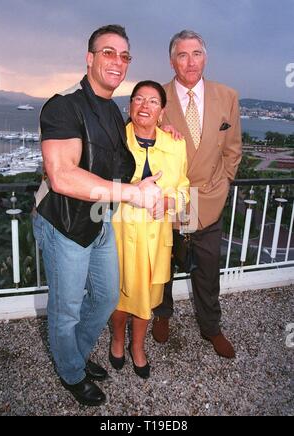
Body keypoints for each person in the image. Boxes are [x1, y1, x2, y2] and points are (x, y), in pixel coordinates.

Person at [32, 25, 163, 407]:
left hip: (98, 219)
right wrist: (132, 194)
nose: (117, 62)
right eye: (108, 52)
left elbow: (120, 162)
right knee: (66, 309)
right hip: (64, 224)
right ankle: (71, 372)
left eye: (124, 56)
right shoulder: (62, 105)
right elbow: (62, 175)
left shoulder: (110, 110)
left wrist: (159, 127)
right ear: (89, 58)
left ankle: (74, 355)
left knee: (105, 297)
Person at [152, 30, 242, 359]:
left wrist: (224, 184)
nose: (191, 62)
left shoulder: (228, 96)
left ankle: (211, 327)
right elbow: (135, 142)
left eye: (197, 54)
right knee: (163, 265)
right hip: (170, 202)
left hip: (208, 201)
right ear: (171, 60)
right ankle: (162, 315)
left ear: (206, 56)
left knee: (208, 270)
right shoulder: (155, 97)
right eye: (182, 55)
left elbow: (233, 151)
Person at [110, 81, 189, 378]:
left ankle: (138, 346)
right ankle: (118, 340)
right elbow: (99, 185)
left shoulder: (176, 144)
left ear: (162, 111)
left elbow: (185, 192)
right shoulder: (114, 139)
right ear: (130, 106)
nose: (145, 106)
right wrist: (130, 191)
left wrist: (168, 201)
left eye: (153, 101)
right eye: (138, 99)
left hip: (156, 238)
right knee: (117, 295)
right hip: (118, 234)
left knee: (146, 298)